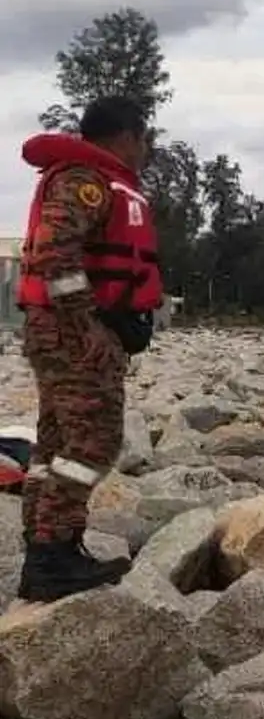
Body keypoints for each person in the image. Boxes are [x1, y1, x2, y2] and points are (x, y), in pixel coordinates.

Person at [13, 94, 162, 602]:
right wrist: (88, 328)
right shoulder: (85, 180)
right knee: (92, 444)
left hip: (57, 330)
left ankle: (49, 544)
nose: (144, 150)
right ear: (125, 136)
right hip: (67, 332)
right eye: (143, 140)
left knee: (54, 445)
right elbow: (57, 255)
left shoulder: (91, 179)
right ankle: (52, 555)